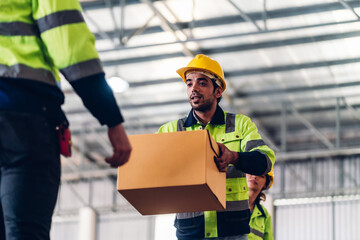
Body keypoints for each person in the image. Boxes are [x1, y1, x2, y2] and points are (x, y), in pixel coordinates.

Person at [0, 0, 132, 239]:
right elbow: (70, 48)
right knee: (25, 231)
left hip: (22, 117)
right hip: (25, 118)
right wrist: (111, 118)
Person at [158, 54, 275, 240]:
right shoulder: (171, 130)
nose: (193, 88)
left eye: (202, 83)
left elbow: (265, 161)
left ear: (218, 91)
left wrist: (234, 157)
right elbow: (155, 174)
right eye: (189, 83)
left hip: (232, 231)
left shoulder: (241, 125)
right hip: (191, 232)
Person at [246, 170, 274, 240]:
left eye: (260, 175)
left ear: (265, 183)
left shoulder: (265, 215)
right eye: (251, 171)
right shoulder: (229, 204)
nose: (254, 176)